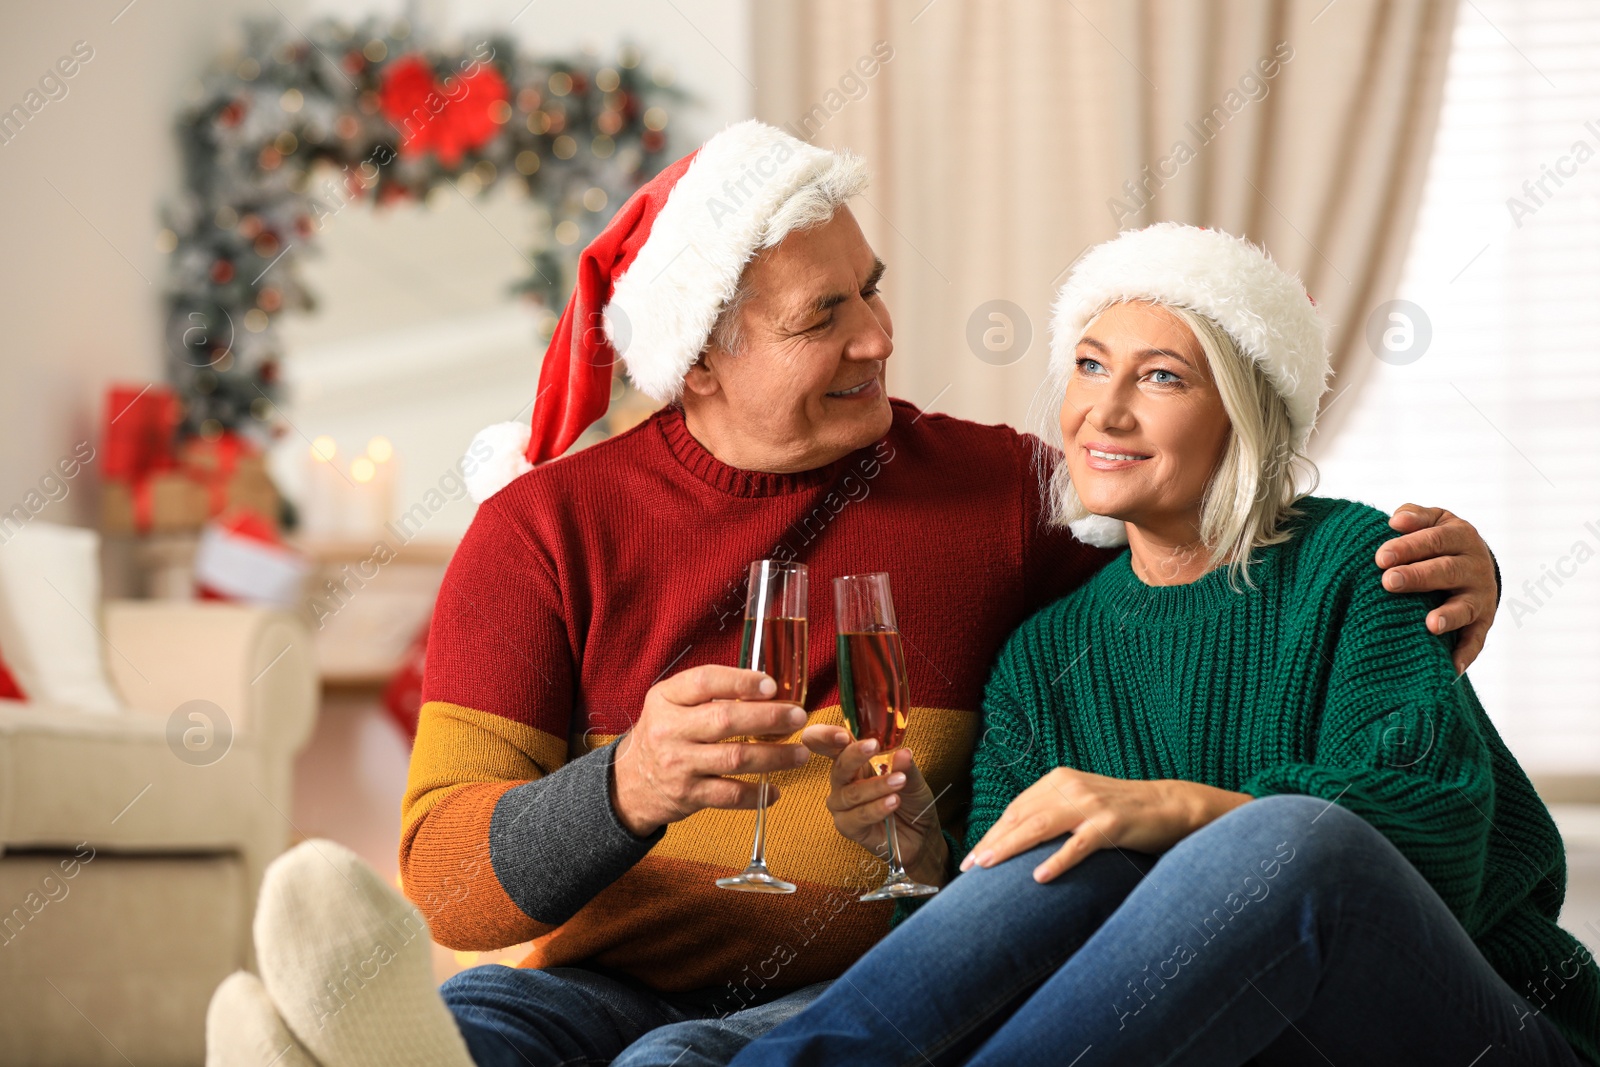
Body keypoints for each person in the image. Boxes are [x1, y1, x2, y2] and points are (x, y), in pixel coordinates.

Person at [205, 127, 1504, 1067]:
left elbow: (1202, 532)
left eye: (872, 287)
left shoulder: (1002, 492)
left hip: (887, 983)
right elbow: (446, 885)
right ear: (701, 356)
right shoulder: (541, 529)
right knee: (499, 1031)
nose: (881, 334)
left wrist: (1448, 579)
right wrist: (630, 784)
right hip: (600, 986)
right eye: (826, 314)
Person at [728, 224, 1600, 1067]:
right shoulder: (1047, 652)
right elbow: (1006, 944)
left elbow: (1435, 835)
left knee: (1294, 837)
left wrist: (1177, 809)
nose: (1105, 410)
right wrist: (922, 861)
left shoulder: (1359, 566)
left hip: (1466, 1016)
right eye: (1090, 364)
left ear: (1244, 412)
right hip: (1236, 1032)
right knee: (1072, 860)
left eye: (1162, 378)